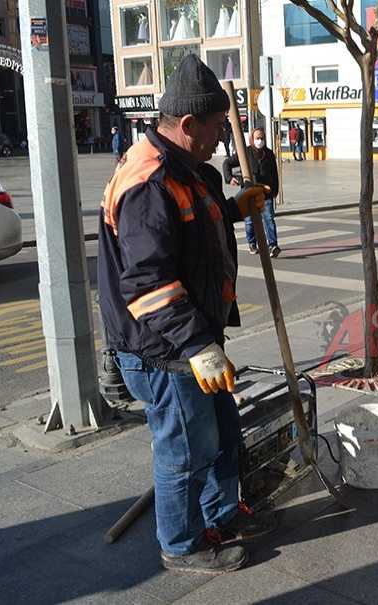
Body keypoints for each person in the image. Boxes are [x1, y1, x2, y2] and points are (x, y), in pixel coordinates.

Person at [98, 54, 273, 574]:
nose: (222, 137)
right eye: (218, 127)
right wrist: (198, 346)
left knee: (220, 435)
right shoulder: (147, 184)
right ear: (188, 124)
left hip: (195, 339)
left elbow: (200, 222)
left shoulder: (188, 168)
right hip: (165, 349)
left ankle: (218, 516)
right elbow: (148, 282)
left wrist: (238, 207)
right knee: (184, 449)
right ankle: (181, 545)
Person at [223, 127, 281, 257]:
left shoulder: (269, 154)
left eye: (262, 138)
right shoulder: (245, 152)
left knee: (269, 219)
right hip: (249, 191)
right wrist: (229, 178)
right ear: (252, 139)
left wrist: (275, 190)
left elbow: (274, 173)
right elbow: (227, 163)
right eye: (257, 138)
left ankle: (273, 245)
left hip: (266, 192)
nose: (260, 141)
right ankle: (252, 243)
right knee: (249, 221)